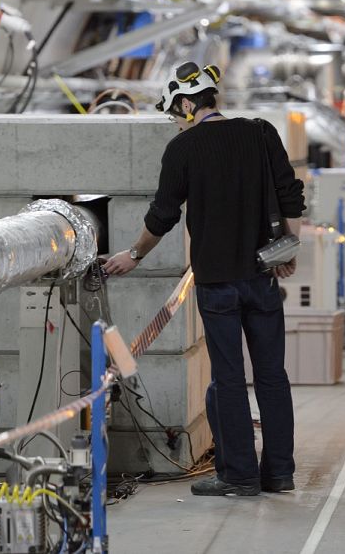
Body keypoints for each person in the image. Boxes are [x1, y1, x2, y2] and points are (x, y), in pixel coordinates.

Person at [103, 61, 305, 497]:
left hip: (217, 283)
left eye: (177, 111)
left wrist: (133, 255)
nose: (177, 120)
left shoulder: (183, 150)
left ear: (191, 102)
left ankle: (239, 476)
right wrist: (288, 250)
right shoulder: (261, 132)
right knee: (272, 376)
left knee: (229, 380)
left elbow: (163, 216)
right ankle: (279, 473)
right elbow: (291, 194)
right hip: (262, 276)